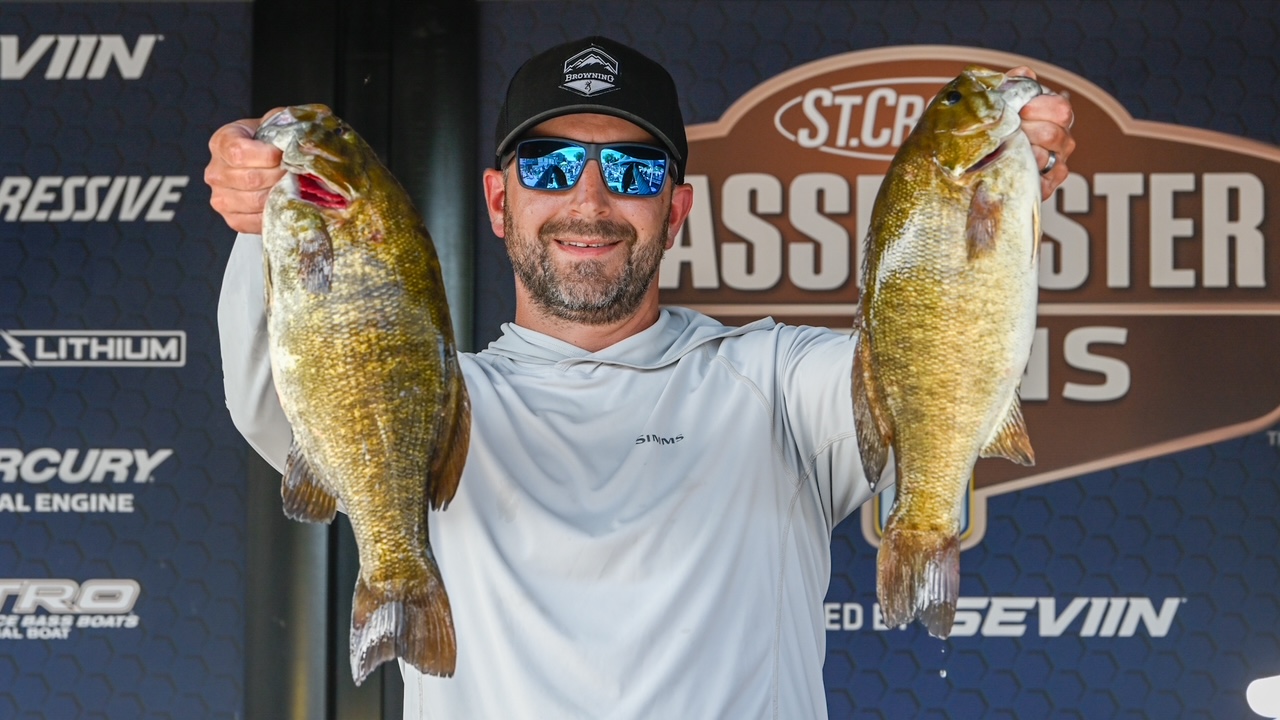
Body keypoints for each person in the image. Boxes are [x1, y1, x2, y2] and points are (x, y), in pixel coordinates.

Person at [206, 36, 1075, 719]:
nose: (589, 202)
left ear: (676, 209)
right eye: (550, 166)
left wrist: (999, 187)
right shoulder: (425, 399)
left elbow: (937, 347)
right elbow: (272, 387)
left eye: (632, 170)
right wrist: (261, 216)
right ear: (500, 201)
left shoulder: (779, 385)